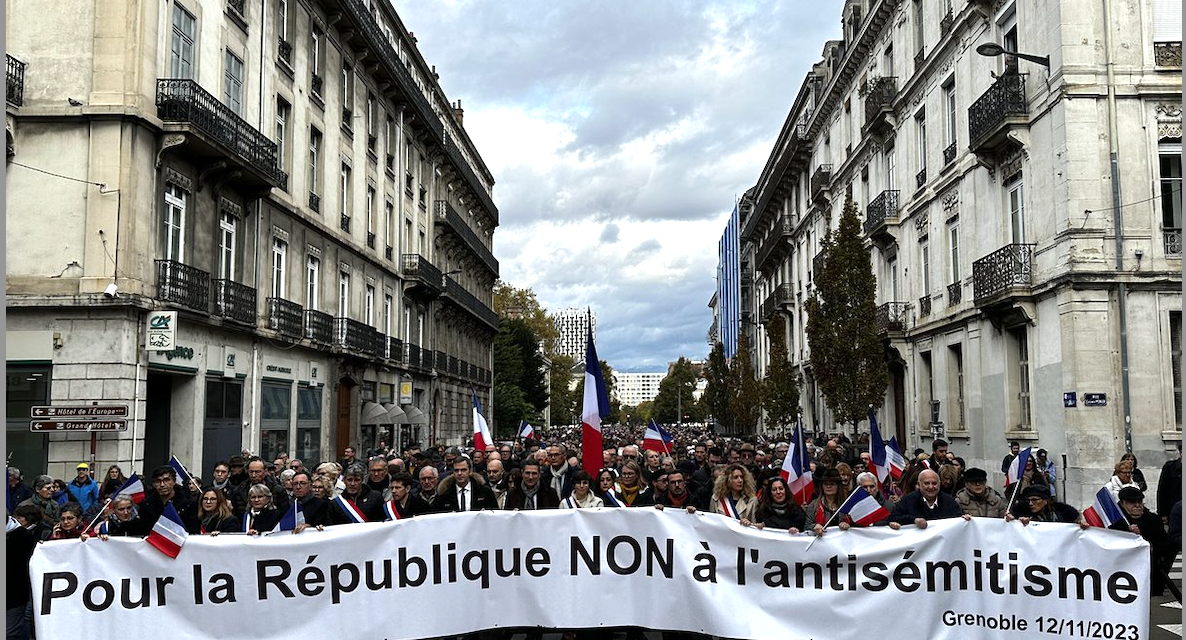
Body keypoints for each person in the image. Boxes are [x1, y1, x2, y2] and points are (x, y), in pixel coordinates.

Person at [1110, 487, 1171, 596]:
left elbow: (1165, 545)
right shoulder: (1114, 522)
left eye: (1140, 502)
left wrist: (1142, 536)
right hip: (1122, 573)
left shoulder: (1153, 520)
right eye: (1132, 503)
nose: (1137, 506)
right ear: (1123, 504)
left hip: (1150, 573)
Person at [890, 469, 967, 528]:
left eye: (934, 483)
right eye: (926, 483)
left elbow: (958, 518)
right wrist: (913, 520)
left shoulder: (949, 501)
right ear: (919, 484)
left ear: (939, 484)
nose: (931, 487)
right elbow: (893, 518)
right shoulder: (908, 500)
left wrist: (964, 519)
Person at [1006, 485, 1082, 525]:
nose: (1030, 503)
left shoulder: (1062, 512)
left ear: (1046, 501)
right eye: (1028, 500)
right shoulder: (1022, 512)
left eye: (1035, 500)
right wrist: (1015, 522)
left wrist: (1080, 524)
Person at [806, 468, 846, 533]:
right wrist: (814, 526)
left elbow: (855, 523)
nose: (828, 486)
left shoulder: (846, 504)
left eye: (832, 484)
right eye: (825, 484)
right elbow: (806, 527)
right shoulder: (813, 505)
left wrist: (847, 524)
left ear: (838, 486)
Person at [1158, 443, 1183, 526]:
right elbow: (1162, 491)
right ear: (1180, 452)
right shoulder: (1170, 467)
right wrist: (1163, 513)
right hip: (1174, 510)